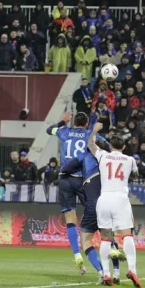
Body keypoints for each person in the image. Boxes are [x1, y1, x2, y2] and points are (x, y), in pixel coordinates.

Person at [60, 132, 129, 285]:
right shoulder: (109, 160)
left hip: (93, 205)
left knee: (86, 240)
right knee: (108, 238)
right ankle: (116, 273)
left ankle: (102, 273)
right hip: (110, 203)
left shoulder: (85, 156)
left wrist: (77, 171)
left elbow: (65, 168)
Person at [46, 111, 107, 273]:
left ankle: (77, 255)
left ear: (74, 121)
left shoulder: (64, 131)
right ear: (86, 124)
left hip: (64, 179)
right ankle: (111, 245)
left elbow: (49, 130)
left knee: (70, 218)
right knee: (95, 212)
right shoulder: (89, 134)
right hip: (82, 179)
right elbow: (105, 144)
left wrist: (62, 121)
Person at [87, 123, 142, 288]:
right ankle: (132, 269)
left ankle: (106, 273)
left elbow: (91, 145)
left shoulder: (103, 156)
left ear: (110, 146)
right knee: (127, 236)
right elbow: (136, 175)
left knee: (105, 238)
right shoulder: (130, 160)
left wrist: (94, 131)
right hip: (120, 199)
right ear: (123, 147)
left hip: (104, 199)